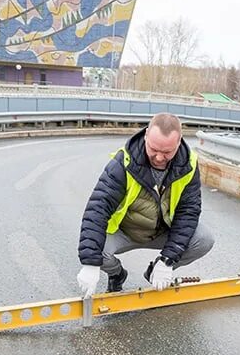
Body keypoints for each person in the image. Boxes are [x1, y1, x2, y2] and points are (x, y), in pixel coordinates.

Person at [77, 113, 214, 296]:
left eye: (167, 152)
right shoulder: (123, 162)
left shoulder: (188, 165)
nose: (159, 157)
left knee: (204, 239)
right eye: (154, 149)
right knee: (96, 251)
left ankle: (156, 270)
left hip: (161, 232)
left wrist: (168, 260)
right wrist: (90, 263)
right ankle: (117, 274)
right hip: (124, 231)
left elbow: (188, 213)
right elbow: (98, 208)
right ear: (146, 135)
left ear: (179, 141)